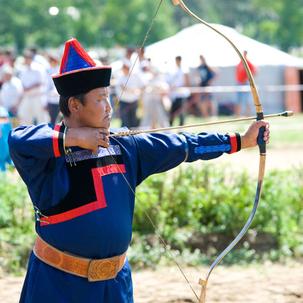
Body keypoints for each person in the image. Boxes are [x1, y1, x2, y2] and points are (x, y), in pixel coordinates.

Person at [8, 38, 270, 303]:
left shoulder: (124, 146)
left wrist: (241, 141)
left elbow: (184, 145)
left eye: (108, 97)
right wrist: (74, 138)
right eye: (100, 99)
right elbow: (18, 140)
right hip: (58, 285)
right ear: (75, 105)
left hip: (116, 286)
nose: (109, 108)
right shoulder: (48, 157)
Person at [167, 56, 190, 126]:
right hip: (175, 95)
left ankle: (181, 128)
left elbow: (187, 83)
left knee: (181, 113)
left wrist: (179, 87)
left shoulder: (184, 70)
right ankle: (170, 127)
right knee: (173, 112)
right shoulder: (175, 70)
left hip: (182, 94)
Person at [235, 50, 257, 116]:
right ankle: (238, 114)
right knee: (239, 100)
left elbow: (254, 71)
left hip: (245, 83)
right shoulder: (240, 63)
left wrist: (247, 79)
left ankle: (247, 114)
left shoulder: (248, 63)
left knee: (247, 100)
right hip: (239, 83)